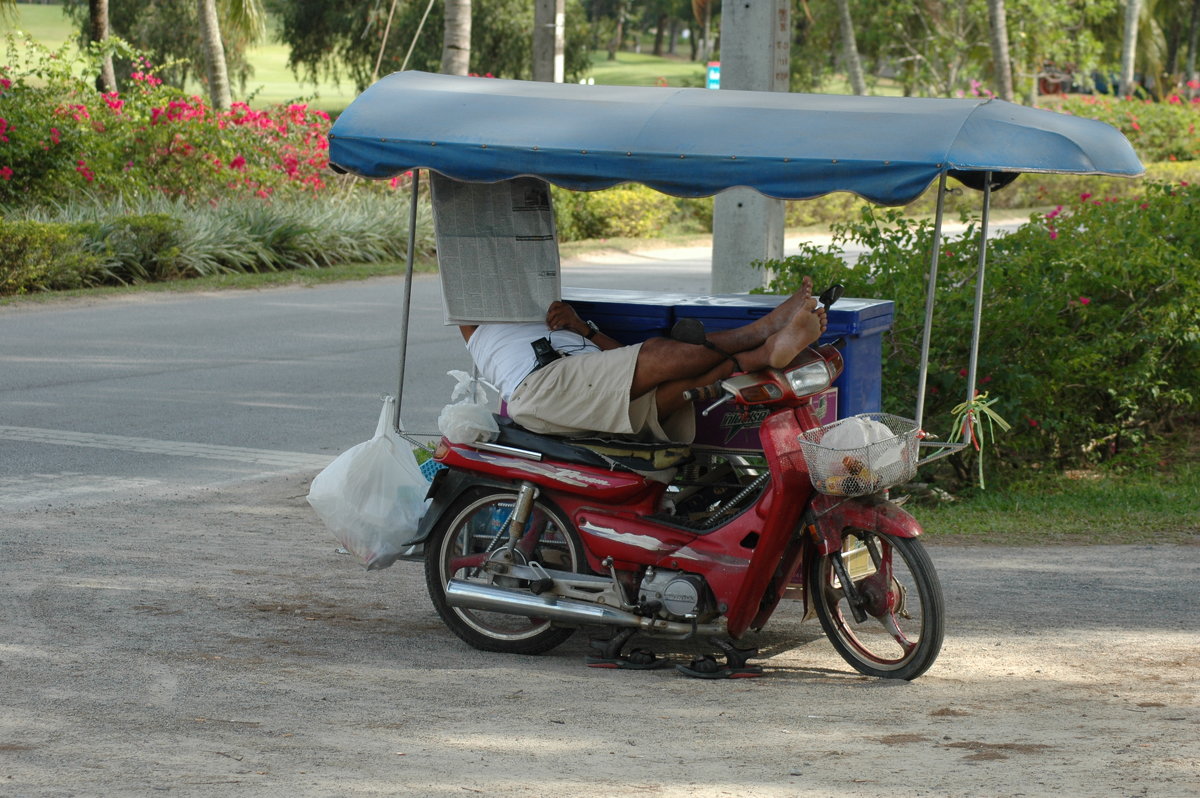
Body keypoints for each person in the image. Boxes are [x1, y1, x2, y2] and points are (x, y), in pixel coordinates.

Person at [459, 277, 828, 443]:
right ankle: (762, 331)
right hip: (541, 385)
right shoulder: (477, 322)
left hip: (584, 386)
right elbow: (463, 303)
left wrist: (582, 329)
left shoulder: (556, 313)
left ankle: (764, 352)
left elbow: (621, 357)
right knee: (654, 352)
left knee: (678, 388)